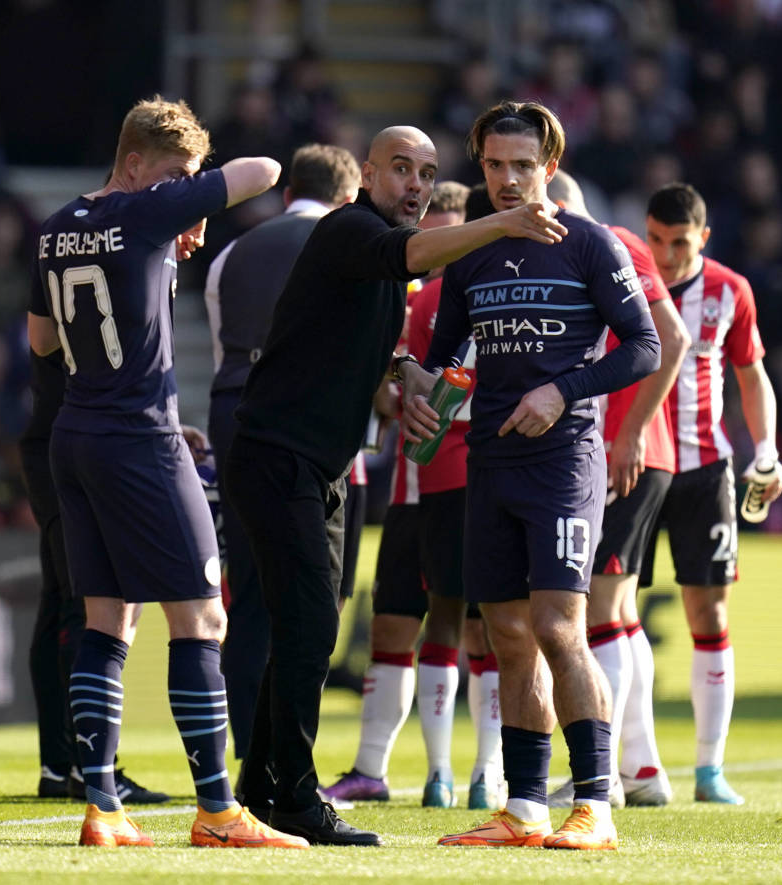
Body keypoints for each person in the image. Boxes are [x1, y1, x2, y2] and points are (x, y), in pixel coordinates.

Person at [223, 124, 568, 846]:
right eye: (401, 169)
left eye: (427, 172)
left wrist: (399, 376)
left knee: (300, 624)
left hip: (306, 464)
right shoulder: (353, 229)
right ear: (367, 177)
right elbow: (407, 253)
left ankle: (261, 786)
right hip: (278, 456)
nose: (414, 184)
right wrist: (500, 221)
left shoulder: (379, 271)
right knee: (311, 624)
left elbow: (356, 344)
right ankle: (292, 794)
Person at [26, 95, 307, 850]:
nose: (183, 188)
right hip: (137, 437)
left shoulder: (54, 230)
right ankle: (218, 811)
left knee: (105, 621)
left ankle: (102, 806)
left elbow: (43, 340)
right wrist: (187, 199)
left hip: (75, 433)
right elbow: (266, 169)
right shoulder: (145, 214)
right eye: (176, 173)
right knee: (202, 618)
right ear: (135, 162)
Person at [403, 100, 660, 851]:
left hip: (563, 461)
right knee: (507, 634)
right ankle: (523, 808)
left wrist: (563, 391)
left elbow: (643, 347)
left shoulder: (589, 243)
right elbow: (446, 358)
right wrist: (408, 387)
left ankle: (596, 806)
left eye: (523, 165)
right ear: (479, 167)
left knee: (556, 627)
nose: (509, 179)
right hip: (490, 460)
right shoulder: (470, 253)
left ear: (550, 167)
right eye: (495, 165)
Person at [321, 181, 504, 811]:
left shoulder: (431, 303)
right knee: (407, 625)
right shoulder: (422, 299)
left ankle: (459, 773)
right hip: (416, 490)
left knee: (468, 628)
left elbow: (391, 390)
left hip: (452, 480)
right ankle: (385, 770)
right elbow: (385, 392)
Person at [203, 143, 361, 761]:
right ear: (348, 198)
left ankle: (248, 753)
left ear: (290, 193)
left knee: (248, 594)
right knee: (314, 599)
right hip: (315, 426)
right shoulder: (351, 244)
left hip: (235, 419)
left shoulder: (233, 254)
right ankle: (290, 757)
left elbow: (222, 355)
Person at [541, 171, 691, 810]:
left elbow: (673, 339)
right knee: (620, 614)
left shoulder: (608, 243)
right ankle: (643, 768)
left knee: (598, 610)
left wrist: (628, 434)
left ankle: (600, 774)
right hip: (634, 450)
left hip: (625, 451)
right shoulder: (611, 243)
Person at [641, 182, 782, 805]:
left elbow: (753, 377)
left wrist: (767, 452)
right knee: (607, 613)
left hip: (704, 470)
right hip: (637, 463)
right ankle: (629, 764)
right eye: (654, 240)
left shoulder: (730, 291)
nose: (665, 255)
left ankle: (709, 769)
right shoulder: (626, 276)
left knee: (711, 613)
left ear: (703, 237)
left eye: (677, 243)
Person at [20, 343, 169, 806]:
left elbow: (40, 336)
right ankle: (89, 768)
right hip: (84, 434)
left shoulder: (47, 266)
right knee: (83, 604)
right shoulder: (113, 267)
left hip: (52, 434)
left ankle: (59, 764)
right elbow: (49, 339)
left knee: (58, 602)